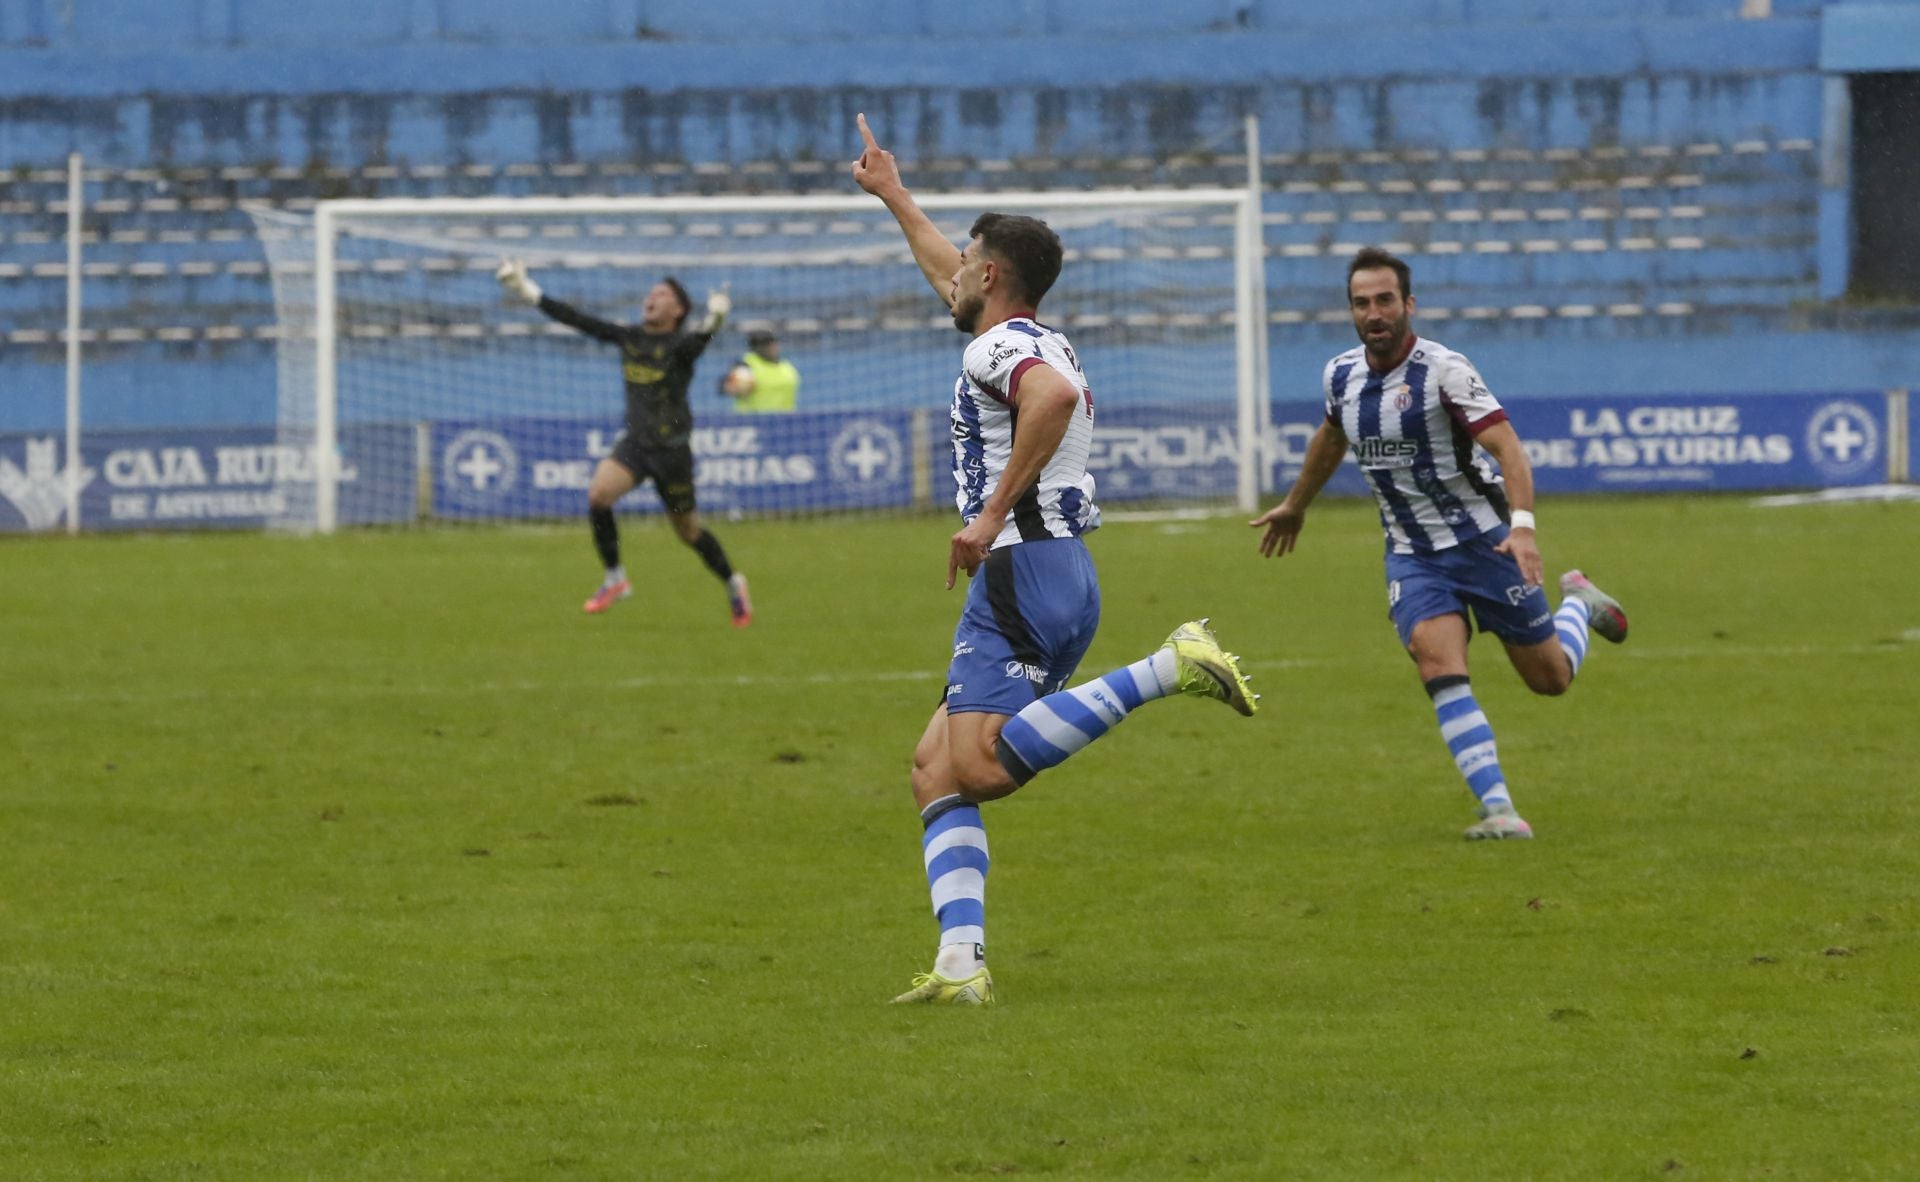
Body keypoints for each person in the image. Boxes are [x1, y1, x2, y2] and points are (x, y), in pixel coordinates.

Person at [852, 112, 1260, 1007]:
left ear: (991, 274)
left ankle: (1168, 667)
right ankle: (962, 964)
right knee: (935, 769)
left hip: (1019, 569)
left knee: (984, 765)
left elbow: (1054, 399)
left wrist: (988, 512)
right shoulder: (1022, 332)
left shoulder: (1009, 352)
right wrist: (893, 194)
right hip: (1055, 571)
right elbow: (958, 290)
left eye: (966, 259)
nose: (952, 269)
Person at [1249, 246, 1629, 841]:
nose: (1373, 313)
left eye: (1384, 300)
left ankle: (1579, 602)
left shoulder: (1444, 371)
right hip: (1412, 553)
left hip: (1485, 543)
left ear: (1408, 304)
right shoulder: (1341, 376)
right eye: (1361, 303)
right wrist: (1297, 504)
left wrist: (1523, 529)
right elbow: (1331, 437)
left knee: (1550, 679)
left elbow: (1509, 448)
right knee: (1439, 665)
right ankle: (1500, 809)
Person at [495, 260, 752, 625]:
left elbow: (698, 342)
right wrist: (526, 289)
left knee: (689, 532)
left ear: (677, 310)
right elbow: (578, 320)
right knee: (598, 495)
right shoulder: (630, 338)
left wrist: (715, 321)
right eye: (652, 292)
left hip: (673, 452)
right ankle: (615, 578)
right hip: (636, 445)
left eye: (662, 294)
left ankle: (732, 582)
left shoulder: (679, 346)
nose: (651, 297)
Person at [718, 330, 800, 413]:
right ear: (755, 348)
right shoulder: (746, 364)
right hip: (753, 421)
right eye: (765, 344)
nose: (770, 347)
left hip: (785, 421)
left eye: (772, 343)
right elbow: (724, 386)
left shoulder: (787, 367)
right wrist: (732, 387)